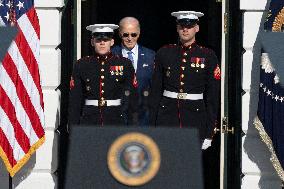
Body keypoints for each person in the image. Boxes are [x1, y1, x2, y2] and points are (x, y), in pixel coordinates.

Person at [149, 11, 221, 149]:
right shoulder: (164, 53)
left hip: (195, 118)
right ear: (177, 28)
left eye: (189, 26)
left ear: (197, 28)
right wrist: (153, 126)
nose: (185, 29)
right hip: (167, 117)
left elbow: (212, 97)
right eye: (182, 26)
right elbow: (155, 92)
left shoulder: (208, 55)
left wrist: (209, 132)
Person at [68, 24, 135, 126]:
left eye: (106, 40)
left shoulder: (124, 63)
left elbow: (132, 98)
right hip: (89, 120)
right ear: (92, 42)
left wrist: (132, 124)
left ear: (112, 42)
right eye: (98, 40)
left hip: (115, 119)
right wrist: (73, 126)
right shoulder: (82, 64)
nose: (102, 43)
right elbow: (75, 99)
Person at [112, 17, 155, 126]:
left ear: (139, 34)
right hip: (117, 116)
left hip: (144, 117)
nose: (130, 38)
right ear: (120, 34)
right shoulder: (111, 55)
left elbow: (155, 87)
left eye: (133, 34)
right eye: (126, 34)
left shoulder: (151, 56)